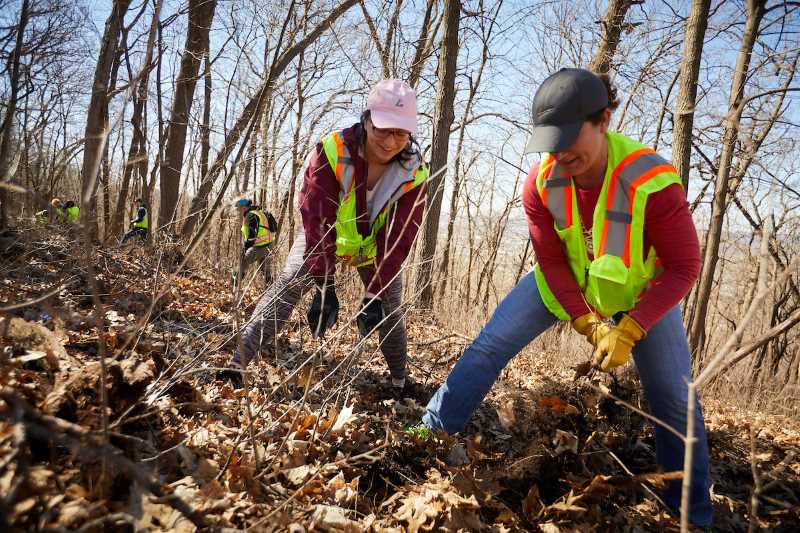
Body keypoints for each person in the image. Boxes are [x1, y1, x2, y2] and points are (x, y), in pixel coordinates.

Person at [417, 69, 713, 528]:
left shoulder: (652, 180)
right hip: (564, 283)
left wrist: (631, 327)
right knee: (489, 347)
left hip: (636, 294)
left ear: (604, 120)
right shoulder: (541, 182)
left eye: (571, 137)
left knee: (674, 398)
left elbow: (683, 267)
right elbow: (551, 261)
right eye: (551, 140)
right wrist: (586, 322)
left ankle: (692, 515)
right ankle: (427, 435)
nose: (561, 151)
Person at [220, 79, 428, 399]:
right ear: (367, 120)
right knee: (288, 285)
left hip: (375, 250)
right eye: (383, 129)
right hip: (325, 237)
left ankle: (400, 382)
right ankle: (237, 365)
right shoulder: (333, 150)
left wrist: (375, 292)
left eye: (400, 133)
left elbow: (400, 236)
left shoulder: (415, 173)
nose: (390, 141)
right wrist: (324, 282)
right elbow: (316, 216)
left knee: (389, 308)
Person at [234, 198, 278, 287]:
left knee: (242, 262)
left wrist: (245, 248)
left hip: (259, 246)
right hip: (269, 245)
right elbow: (275, 228)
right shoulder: (262, 213)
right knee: (266, 271)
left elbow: (251, 237)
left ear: (244, 207)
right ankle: (272, 292)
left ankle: (234, 287)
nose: (238, 212)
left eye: (239, 209)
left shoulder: (250, 215)